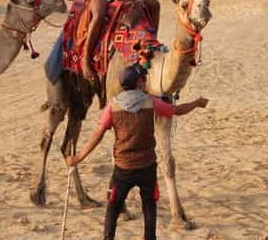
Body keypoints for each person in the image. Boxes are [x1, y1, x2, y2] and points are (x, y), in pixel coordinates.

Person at [65, 64, 209, 240]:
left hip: (123, 169)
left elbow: (98, 134)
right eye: (143, 79)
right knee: (149, 207)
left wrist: (78, 157)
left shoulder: (113, 107)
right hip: (147, 167)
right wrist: (197, 103)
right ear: (139, 82)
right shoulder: (151, 102)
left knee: (113, 207)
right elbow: (176, 110)